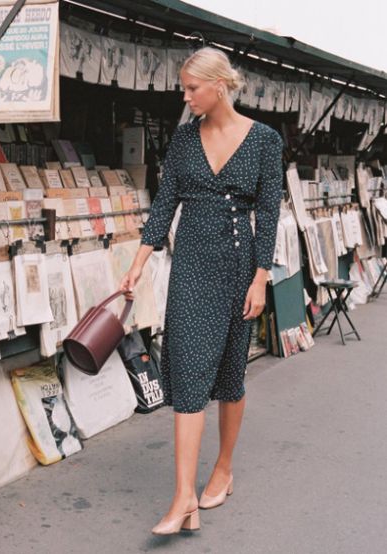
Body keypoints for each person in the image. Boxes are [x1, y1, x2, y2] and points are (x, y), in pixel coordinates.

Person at [119, 47, 283, 535]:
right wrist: (138, 262)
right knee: (189, 374)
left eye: (192, 88)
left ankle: (224, 468)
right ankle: (183, 496)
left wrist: (260, 276)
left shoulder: (264, 140)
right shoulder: (185, 139)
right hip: (190, 267)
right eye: (184, 88)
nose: (186, 96)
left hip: (238, 267)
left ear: (219, 85)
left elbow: (270, 212)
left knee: (231, 376)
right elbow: (166, 201)